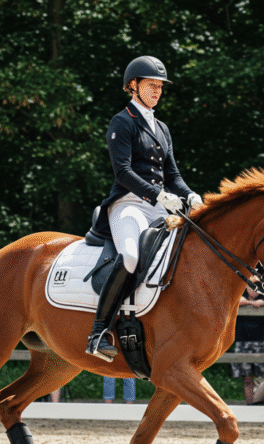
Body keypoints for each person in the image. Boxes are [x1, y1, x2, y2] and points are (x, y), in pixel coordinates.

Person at [85, 55, 202, 361]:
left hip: (160, 206)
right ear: (133, 86)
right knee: (131, 255)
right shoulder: (122, 121)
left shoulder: (162, 127)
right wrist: (159, 196)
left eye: (160, 87)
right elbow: (122, 171)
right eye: (152, 85)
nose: (157, 91)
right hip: (129, 205)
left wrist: (191, 196)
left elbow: (173, 175)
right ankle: (98, 332)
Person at [232, 284, 264, 404]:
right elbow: (235, 299)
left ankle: (262, 402)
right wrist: (251, 303)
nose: (254, 289)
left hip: (261, 343)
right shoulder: (240, 296)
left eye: (257, 287)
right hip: (242, 342)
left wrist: (262, 301)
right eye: (251, 286)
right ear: (246, 287)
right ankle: (250, 403)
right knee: (247, 378)